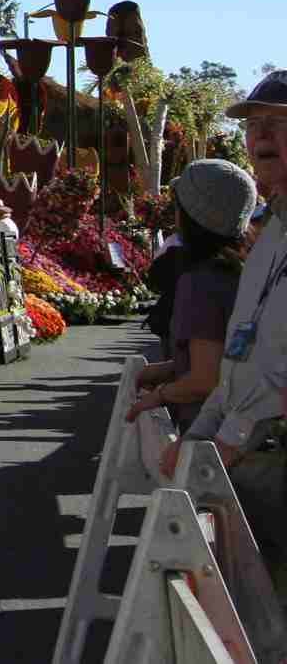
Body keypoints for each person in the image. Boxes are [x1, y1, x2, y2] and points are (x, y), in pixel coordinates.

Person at [161, 70, 287, 591]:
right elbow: (240, 358)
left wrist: (226, 441)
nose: (260, 138)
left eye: (278, 125)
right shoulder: (273, 230)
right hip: (246, 460)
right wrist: (199, 436)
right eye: (254, 125)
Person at [127, 160, 251, 431]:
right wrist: (172, 368)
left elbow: (205, 380)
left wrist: (158, 396)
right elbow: (228, 359)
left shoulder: (200, 282)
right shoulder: (244, 270)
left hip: (207, 438)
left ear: (188, 216)